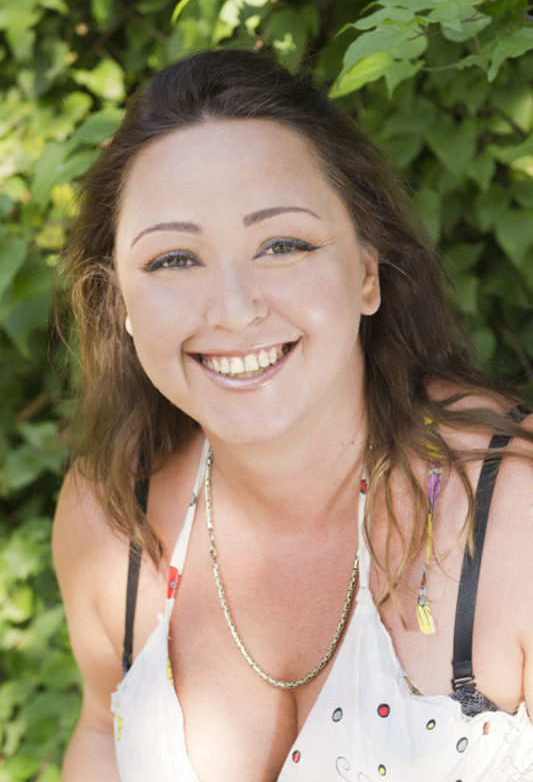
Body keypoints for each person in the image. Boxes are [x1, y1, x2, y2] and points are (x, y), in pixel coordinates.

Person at [53, 49, 533, 782]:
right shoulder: (112, 516)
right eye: (173, 259)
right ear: (119, 301)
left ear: (366, 272)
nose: (234, 309)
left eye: (282, 245)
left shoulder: (514, 513)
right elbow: (98, 733)